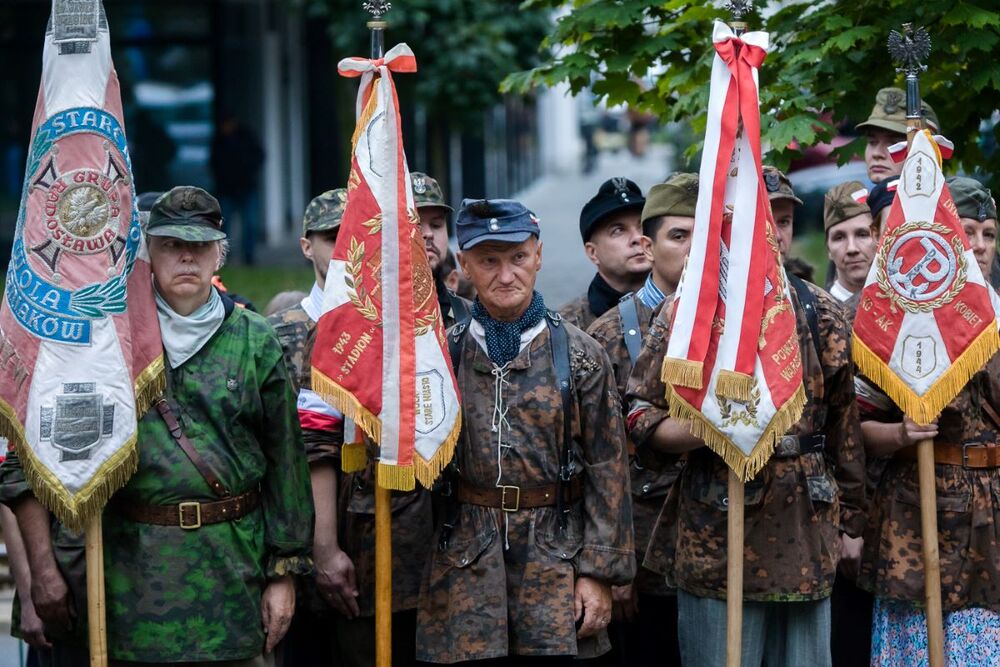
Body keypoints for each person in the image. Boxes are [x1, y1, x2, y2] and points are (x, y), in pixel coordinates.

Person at [1, 186, 314, 666]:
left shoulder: (255, 339)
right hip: (129, 582)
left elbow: (286, 466)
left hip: (233, 575)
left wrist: (283, 575)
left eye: (199, 245)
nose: (187, 257)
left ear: (219, 255)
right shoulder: (106, 341)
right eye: (171, 244)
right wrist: (42, 572)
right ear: (148, 253)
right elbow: (35, 457)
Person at [626, 225, 867, 667]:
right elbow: (641, 415)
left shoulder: (817, 309)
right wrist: (715, 426)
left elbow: (844, 427)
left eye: (774, 222)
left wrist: (852, 521)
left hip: (804, 531)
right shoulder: (686, 310)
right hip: (716, 534)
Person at [417, 199, 635, 665]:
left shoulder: (580, 356)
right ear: (464, 265)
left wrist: (598, 573)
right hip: (466, 562)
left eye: (518, 257)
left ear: (538, 256)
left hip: (556, 559)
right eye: (488, 261)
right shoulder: (441, 355)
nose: (506, 275)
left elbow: (609, 470)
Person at [858, 177, 1000, 666]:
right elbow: (854, 431)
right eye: (967, 231)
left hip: (994, 514)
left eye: (989, 233)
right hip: (922, 518)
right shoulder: (899, 322)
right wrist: (901, 433)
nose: (979, 245)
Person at [584, 173, 698, 667]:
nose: (696, 247)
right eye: (680, 235)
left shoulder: (736, 324)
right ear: (650, 248)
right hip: (646, 555)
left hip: (719, 545)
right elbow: (599, 462)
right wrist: (614, 564)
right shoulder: (606, 335)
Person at [266, 189, 347, 667]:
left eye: (356, 237)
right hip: (297, 533)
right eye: (333, 238)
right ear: (306, 246)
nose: (346, 249)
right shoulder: (275, 333)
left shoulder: (396, 330)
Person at [559, 178, 649, 331]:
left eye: (643, 226)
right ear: (593, 252)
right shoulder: (567, 326)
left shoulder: (682, 307)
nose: (637, 238)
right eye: (618, 230)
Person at [411, 171, 471, 323]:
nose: (428, 234)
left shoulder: (472, 320)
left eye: (436, 225)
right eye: (416, 225)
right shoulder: (369, 320)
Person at [211, 113, 266, 264]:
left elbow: (259, 155)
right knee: (225, 225)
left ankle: (249, 256)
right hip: (227, 190)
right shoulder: (219, 141)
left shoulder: (246, 137)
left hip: (246, 188)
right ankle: (223, 256)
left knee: (250, 224)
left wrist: (248, 171)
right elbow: (214, 164)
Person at [856, 88, 940, 185]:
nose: (876, 153)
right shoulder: (858, 193)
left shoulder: (949, 195)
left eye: (894, 143)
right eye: (872, 142)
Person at [825, 181, 878, 303]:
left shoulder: (902, 305)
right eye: (839, 237)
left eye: (862, 234)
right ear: (828, 248)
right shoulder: (816, 311)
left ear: (879, 238)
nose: (851, 248)